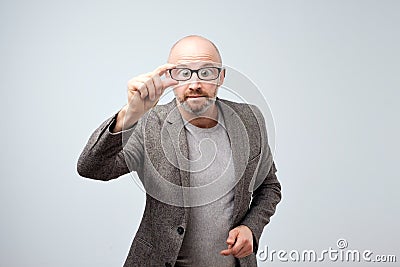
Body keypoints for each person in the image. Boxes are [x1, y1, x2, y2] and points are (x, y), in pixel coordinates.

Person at [77, 35, 281, 267]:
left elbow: (269, 186)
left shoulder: (249, 119)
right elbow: (92, 168)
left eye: (206, 72)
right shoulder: (149, 123)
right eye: (183, 73)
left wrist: (251, 228)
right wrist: (129, 114)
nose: (195, 83)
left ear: (221, 77)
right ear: (170, 78)